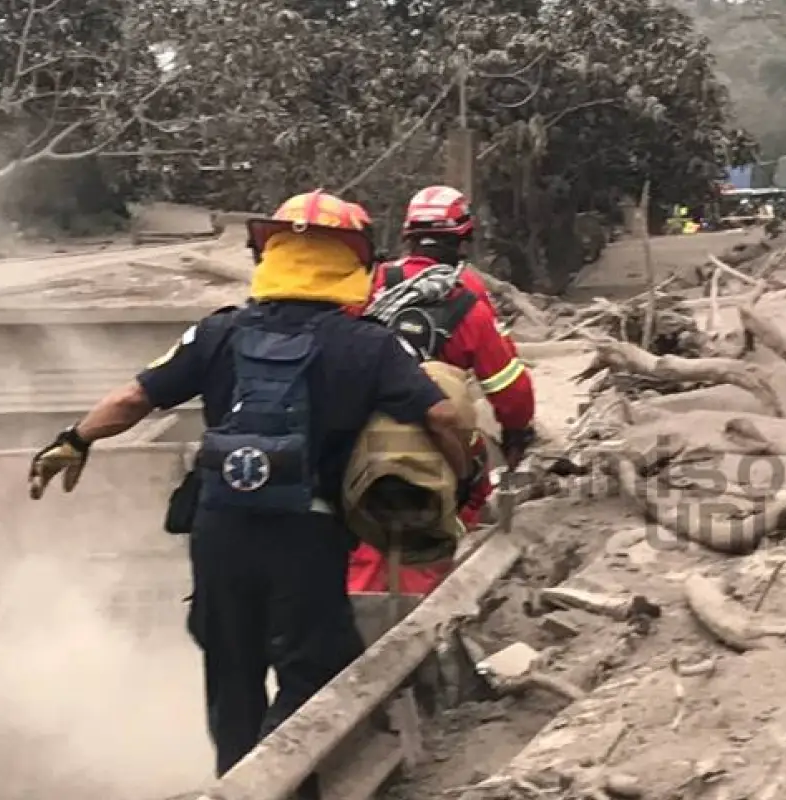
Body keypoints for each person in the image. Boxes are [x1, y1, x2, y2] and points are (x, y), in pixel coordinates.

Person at [26, 189, 471, 794]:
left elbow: (135, 397)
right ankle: (281, 782)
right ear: (354, 264)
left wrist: (73, 440)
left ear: (271, 255)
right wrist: (463, 478)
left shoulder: (217, 333)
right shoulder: (368, 344)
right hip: (307, 537)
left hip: (219, 530)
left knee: (231, 675)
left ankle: (236, 781)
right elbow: (443, 417)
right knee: (314, 667)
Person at [351, 185, 537, 595]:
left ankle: (359, 608)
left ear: (407, 236)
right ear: (465, 240)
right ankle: (425, 602)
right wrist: (517, 435)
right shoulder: (467, 297)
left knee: (361, 523)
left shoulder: (370, 285)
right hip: (439, 434)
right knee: (458, 498)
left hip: (358, 433)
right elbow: (510, 387)